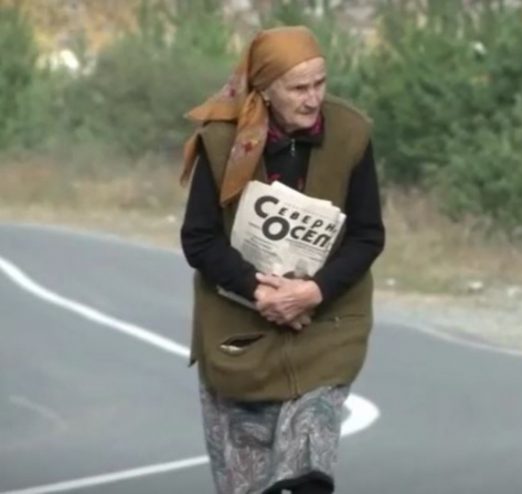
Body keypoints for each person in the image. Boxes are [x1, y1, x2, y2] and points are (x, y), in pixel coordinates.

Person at [179, 25, 385, 494]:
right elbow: (199, 239)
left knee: (308, 465)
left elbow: (368, 234)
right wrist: (259, 291)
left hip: (325, 324)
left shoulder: (351, 133)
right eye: (299, 88)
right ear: (266, 90)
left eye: (320, 83)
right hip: (239, 327)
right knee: (249, 483)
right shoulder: (221, 142)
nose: (313, 99)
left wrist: (313, 291)